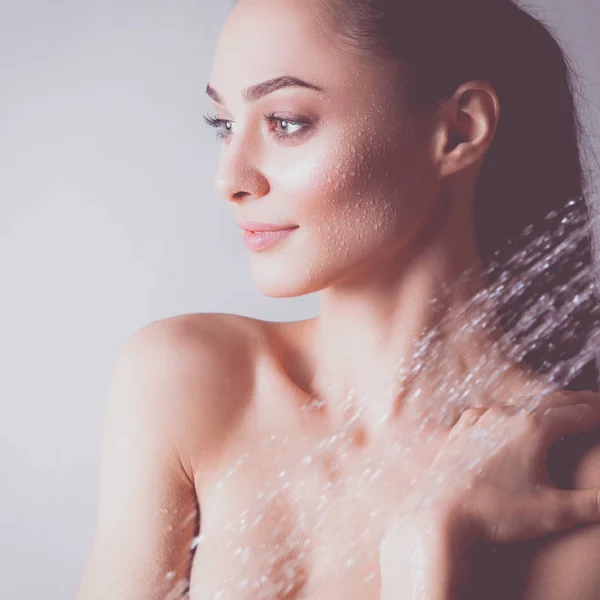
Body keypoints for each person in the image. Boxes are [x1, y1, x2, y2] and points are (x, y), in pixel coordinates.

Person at [75, 0, 600, 598]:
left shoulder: (568, 473)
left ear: (458, 129)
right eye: (224, 124)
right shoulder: (187, 382)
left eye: (287, 121)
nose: (230, 177)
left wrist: (431, 550)